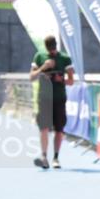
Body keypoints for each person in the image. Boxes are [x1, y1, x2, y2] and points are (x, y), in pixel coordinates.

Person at [29, 36, 74, 169]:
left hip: (59, 98)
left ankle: (55, 158)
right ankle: (44, 157)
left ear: (56, 46)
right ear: (46, 47)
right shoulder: (39, 56)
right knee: (44, 128)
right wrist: (44, 67)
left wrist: (61, 80)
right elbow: (31, 77)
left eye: (54, 49)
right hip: (44, 98)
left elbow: (71, 81)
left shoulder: (65, 58)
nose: (53, 52)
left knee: (59, 130)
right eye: (50, 50)